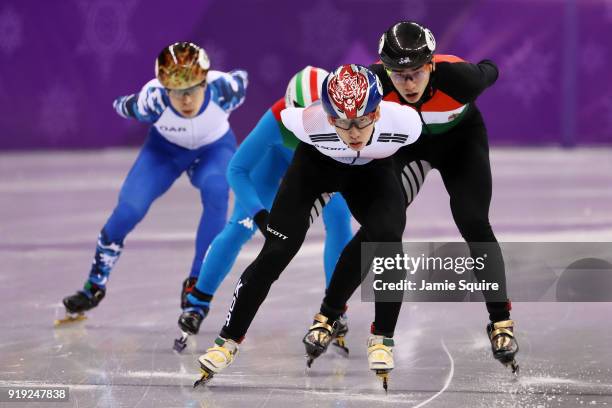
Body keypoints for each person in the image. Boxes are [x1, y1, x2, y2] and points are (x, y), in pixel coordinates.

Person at [193, 64, 422, 388]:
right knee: (276, 251)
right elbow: (242, 164)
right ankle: (227, 341)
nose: (354, 133)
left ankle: (382, 337)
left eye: (362, 121)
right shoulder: (302, 122)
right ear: (328, 118)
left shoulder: (406, 123)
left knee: (388, 239)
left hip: (372, 172)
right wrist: (259, 211)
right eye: (342, 122)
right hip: (316, 169)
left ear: (378, 113)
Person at [58, 42, 248, 323]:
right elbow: (122, 105)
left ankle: (198, 286)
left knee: (217, 190)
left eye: (193, 89)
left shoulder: (225, 90)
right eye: (176, 92)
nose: (185, 100)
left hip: (213, 150)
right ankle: (93, 286)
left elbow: (242, 76)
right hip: (164, 152)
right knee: (128, 210)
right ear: (164, 89)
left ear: (205, 82)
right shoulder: (151, 100)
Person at [174, 66, 353, 352]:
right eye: (303, 119)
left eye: (321, 118)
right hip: (275, 164)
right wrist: (258, 213)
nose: (312, 127)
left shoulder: (346, 117)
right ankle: (197, 302)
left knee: (340, 218)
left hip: (321, 170)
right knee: (239, 227)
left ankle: (335, 309)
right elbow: (237, 169)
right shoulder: (277, 117)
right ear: (289, 112)